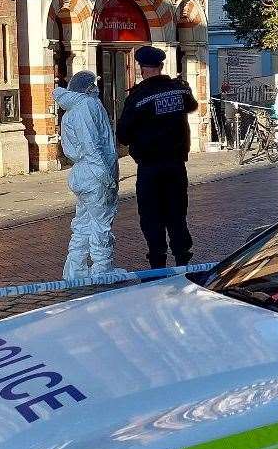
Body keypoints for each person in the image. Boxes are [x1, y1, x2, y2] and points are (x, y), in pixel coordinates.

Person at [117, 45, 198, 268]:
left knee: (152, 215)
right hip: (176, 165)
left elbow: (122, 135)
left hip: (150, 167)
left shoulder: (138, 96)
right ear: (161, 67)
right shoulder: (179, 90)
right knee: (177, 212)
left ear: (142, 69)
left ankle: (157, 262)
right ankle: (183, 258)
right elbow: (192, 106)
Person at [55, 71, 119, 280]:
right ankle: (102, 269)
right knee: (101, 223)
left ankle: (76, 269)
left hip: (81, 172)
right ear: (89, 87)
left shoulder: (71, 109)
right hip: (93, 173)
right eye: (94, 85)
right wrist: (106, 177)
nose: (97, 88)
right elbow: (92, 145)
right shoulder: (87, 106)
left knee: (83, 223)